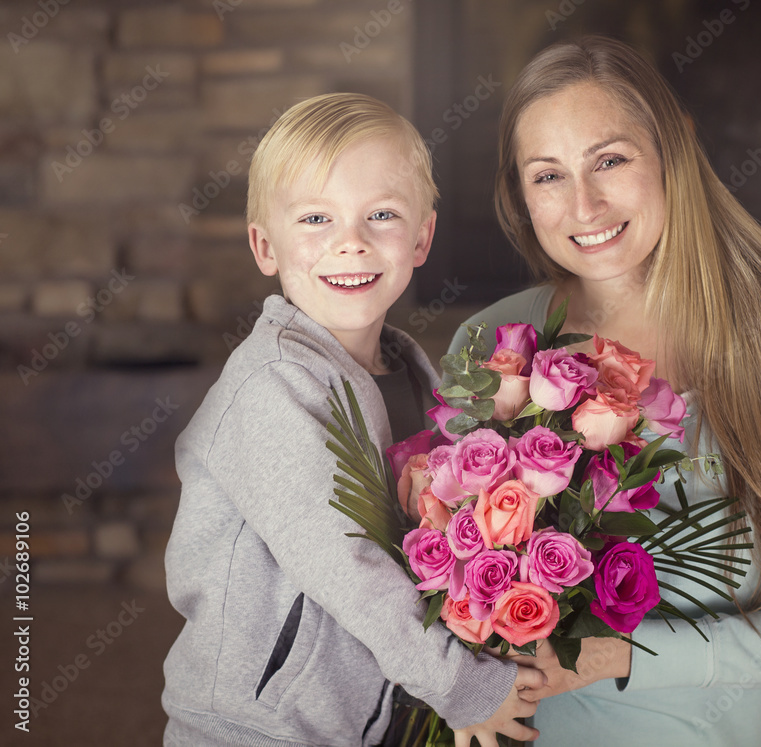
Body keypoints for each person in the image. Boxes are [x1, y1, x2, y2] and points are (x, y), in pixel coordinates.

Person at [447, 36, 761, 746]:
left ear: (673, 150)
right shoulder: (489, 345)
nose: (584, 203)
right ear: (519, 194)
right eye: (548, 175)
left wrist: (618, 657)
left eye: (611, 160)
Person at [162, 93, 543, 747]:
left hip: (358, 722)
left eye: (382, 215)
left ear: (422, 237)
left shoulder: (415, 375)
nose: (351, 241)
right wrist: (459, 685)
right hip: (253, 728)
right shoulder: (272, 385)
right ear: (265, 245)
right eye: (316, 217)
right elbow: (346, 563)